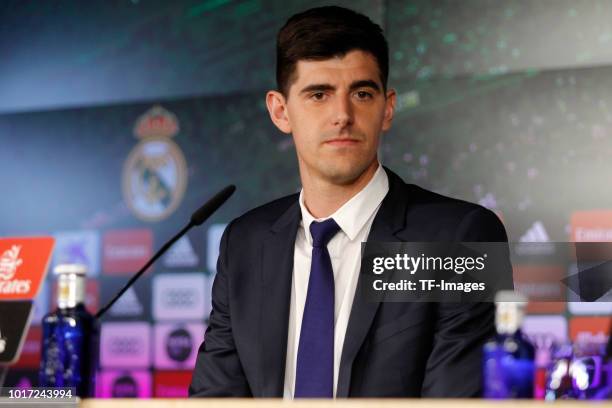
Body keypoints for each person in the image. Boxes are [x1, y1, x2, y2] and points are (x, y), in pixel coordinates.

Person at [190, 6, 511, 398]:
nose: (342, 115)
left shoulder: (458, 238)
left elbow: (455, 404)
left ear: (387, 108)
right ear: (280, 110)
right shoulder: (245, 243)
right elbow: (215, 400)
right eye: (319, 94)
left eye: (361, 93)